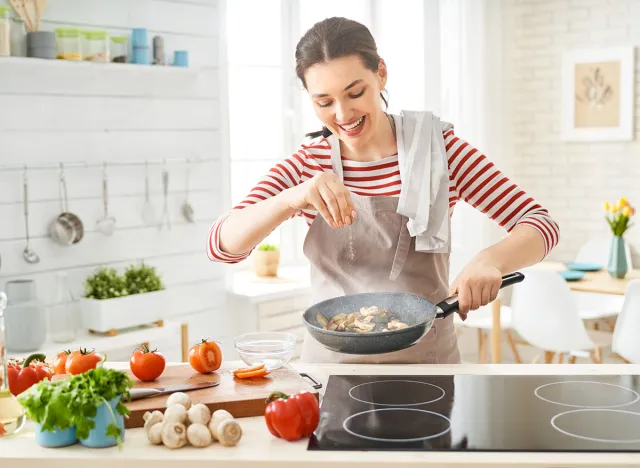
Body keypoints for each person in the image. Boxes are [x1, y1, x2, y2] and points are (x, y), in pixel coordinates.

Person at [207, 17, 560, 364]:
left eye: (355, 92)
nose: (343, 114)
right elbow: (222, 246)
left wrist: (491, 261)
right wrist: (293, 196)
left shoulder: (439, 151)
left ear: (381, 74)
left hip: (426, 365)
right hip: (330, 369)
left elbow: (541, 224)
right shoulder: (308, 165)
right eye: (324, 102)